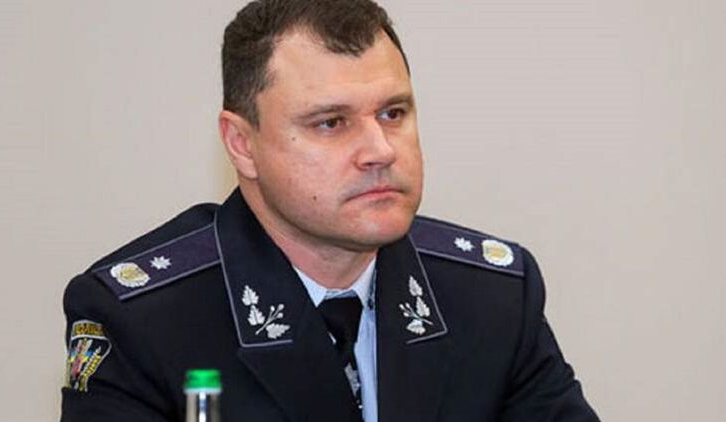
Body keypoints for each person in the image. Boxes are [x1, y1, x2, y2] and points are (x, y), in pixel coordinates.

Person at [61, 0, 600, 421]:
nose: (380, 151)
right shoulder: (145, 320)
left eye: (393, 113)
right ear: (242, 145)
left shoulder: (492, 296)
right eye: (331, 123)